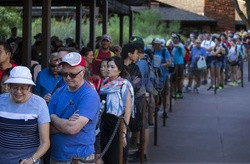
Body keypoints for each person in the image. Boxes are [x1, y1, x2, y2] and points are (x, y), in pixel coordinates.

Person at [48, 52, 100, 163]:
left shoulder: (89, 95)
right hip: (56, 156)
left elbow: (72, 128)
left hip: (79, 157)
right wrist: (66, 123)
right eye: (64, 73)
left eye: (72, 74)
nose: (67, 78)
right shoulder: (58, 92)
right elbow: (45, 127)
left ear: (83, 72)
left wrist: (53, 117)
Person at [0, 66, 50, 163]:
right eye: (14, 87)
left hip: (28, 160)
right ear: (9, 86)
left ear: (30, 87)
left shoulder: (39, 103)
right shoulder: (1, 100)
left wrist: (32, 159)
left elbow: (45, 142)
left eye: (23, 88)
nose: (18, 91)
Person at [100, 56, 134, 164]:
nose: (108, 69)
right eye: (107, 66)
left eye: (112, 67)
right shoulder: (104, 83)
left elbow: (127, 110)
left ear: (119, 70)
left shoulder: (124, 85)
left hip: (118, 123)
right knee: (106, 156)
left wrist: (123, 133)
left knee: (116, 157)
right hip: (105, 123)